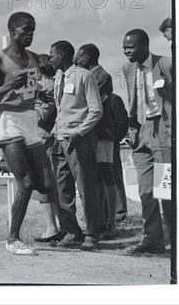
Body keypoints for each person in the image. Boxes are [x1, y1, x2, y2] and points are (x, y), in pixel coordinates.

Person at [0, 11, 53, 256]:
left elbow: (30, 87)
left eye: (33, 30)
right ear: (13, 31)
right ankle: (13, 239)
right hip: (9, 121)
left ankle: (4, 161)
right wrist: (9, 85)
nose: (30, 34)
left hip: (30, 120)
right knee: (27, 184)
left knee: (45, 185)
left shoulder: (33, 59)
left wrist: (40, 93)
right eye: (26, 30)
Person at [121, 29, 173, 254]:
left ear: (145, 45)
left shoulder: (167, 64)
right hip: (140, 131)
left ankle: (176, 239)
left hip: (162, 128)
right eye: (124, 48)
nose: (126, 52)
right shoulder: (127, 69)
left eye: (130, 47)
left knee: (165, 188)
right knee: (145, 190)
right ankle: (152, 240)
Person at [50, 40, 102, 251]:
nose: (50, 58)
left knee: (85, 188)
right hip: (61, 140)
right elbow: (60, 109)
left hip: (79, 140)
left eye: (52, 54)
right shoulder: (58, 78)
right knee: (62, 189)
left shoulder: (84, 76)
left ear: (61, 55)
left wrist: (79, 133)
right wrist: (56, 133)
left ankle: (92, 233)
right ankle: (72, 232)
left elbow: (96, 110)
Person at [75, 43, 119, 239]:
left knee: (106, 175)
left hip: (102, 134)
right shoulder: (86, 76)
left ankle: (112, 223)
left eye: (78, 55)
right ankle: (99, 221)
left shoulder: (102, 77)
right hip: (89, 134)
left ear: (86, 58)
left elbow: (87, 103)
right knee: (95, 178)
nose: (75, 58)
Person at [32, 54, 64, 243]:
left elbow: (42, 115)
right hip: (38, 140)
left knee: (44, 186)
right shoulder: (41, 86)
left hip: (44, 140)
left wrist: (23, 106)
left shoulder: (50, 87)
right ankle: (56, 227)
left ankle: (53, 228)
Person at [110, 93, 129, 224]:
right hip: (93, 144)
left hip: (110, 144)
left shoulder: (114, 99)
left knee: (114, 176)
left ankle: (119, 213)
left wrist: (114, 138)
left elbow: (123, 122)